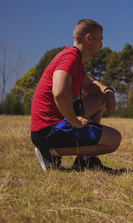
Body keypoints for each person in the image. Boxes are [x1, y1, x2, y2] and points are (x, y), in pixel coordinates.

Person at [30, 19, 122, 171]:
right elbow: (59, 93)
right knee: (114, 140)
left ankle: (84, 160)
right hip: (47, 128)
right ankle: (50, 151)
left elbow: (90, 86)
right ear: (88, 38)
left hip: (53, 122)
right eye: (100, 40)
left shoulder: (75, 60)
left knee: (99, 99)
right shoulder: (69, 59)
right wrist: (75, 121)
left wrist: (108, 91)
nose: (101, 45)